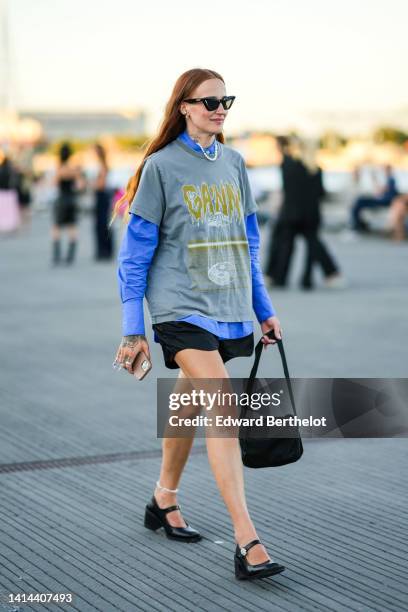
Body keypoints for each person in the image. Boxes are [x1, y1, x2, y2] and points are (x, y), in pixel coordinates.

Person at [112, 68, 286, 580]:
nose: (219, 108)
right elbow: (134, 257)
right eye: (208, 100)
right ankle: (247, 540)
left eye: (225, 99)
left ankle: (162, 498)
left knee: (188, 401)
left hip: (227, 305)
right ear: (183, 106)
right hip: (178, 307)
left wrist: (263, 308)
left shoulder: (234, 164)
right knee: (222, 402)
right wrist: (132, 328)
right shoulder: (161, 168)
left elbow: (248, 246)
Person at [265, 137, 342, 289]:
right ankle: (309, 279)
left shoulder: (287, 166)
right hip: (311, 214)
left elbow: (285, 189)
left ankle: (278, 278)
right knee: (313, 245)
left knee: (284, 246)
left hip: (290, 213)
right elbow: (321, 193)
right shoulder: (317, 169)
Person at [51, 142, 84, 265]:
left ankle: (57, 256)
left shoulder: (59, 169)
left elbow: (53, 184)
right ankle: (70, 257)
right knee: (72, 227)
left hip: (61, 200)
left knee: (57, 227)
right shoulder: (73, 169)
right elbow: (80, 186)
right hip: (71, 200)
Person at [350, 164, 399, 232]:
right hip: (382, 200)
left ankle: (357, 225)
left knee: (360, 201)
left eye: (385, 170)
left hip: (384, 201)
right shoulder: (389, 179)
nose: (384, 172)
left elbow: (382, 191)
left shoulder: (391, 179)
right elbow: (380, 191)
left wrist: (374, 179)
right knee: (359, 202)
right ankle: (358, 224)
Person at [93, 143, 114, 260]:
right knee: (103, 224)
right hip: (103, 196)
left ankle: (104, 250)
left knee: (101, 224)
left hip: (101, 196)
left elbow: (101, 185)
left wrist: (91, 184)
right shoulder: (103, 165)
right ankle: (105, 250)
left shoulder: (102, 166)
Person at [0, 151, 21, 234]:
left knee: (2, 210)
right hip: (10, 191)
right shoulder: (11, 170)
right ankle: (11, 225)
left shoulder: (1, 170)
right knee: (11, 210)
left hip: (2, 191)